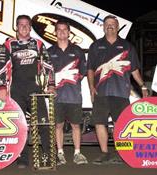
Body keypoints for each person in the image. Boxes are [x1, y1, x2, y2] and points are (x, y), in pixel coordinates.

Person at [87, 15, 148, 165]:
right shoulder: (96, 45)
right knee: (100, 123)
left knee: (120, 124)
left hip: (121, 92)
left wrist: (143, 86)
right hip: (101, 92)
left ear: (117, 26)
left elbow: (134, 70)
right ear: (103, 27)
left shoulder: (127, 46)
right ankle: (104, 153)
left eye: (112, 24)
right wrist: (91, 86)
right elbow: (90, 69)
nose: (110, 26)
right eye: (107, 24)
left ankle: (121, 153)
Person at [0, 15, 55, 168]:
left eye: (26, 25)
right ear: (16, 27)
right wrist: (2, 87)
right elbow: (0, 66)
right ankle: (22, 158)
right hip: (17, 89)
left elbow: (48, 65)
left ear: (30, 27)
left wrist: (51, 84)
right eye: (20, 24)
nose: (23, 27)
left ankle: (49, 156)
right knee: (20, 125)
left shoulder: (38, 43)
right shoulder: (9, 44)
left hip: (36, 89)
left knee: (43, 123)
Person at [48, 20, 88, 165]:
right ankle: (60, 153)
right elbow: (45, 73)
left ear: (69, 32)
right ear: (55, 32)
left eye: (65, 30)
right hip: (56, 96)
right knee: (57, 125)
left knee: (76, 125)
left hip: (74, 96)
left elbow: (82, 73)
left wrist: (69, 82)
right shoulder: (49, 51)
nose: (62, 32)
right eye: (59, 29)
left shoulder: (77, 51)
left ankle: (77, 153)